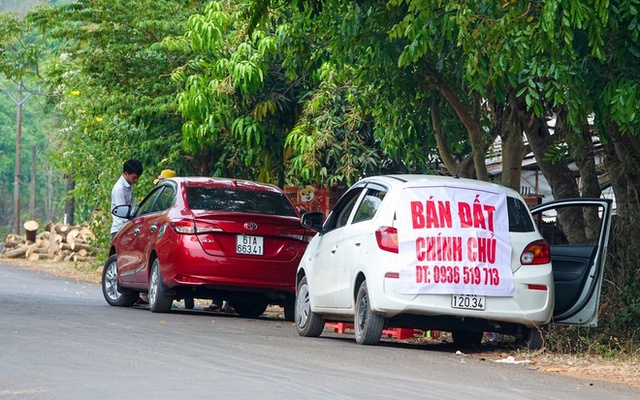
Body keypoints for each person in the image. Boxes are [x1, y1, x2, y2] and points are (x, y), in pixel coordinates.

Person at [110, 159, 143, 239]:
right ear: (126, 173)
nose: (136, 180)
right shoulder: (120, 189)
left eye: (137, 178)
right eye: (134, 177)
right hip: (120, 230)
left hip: (127, 228)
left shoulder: (129, 185)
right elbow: (122, 213)